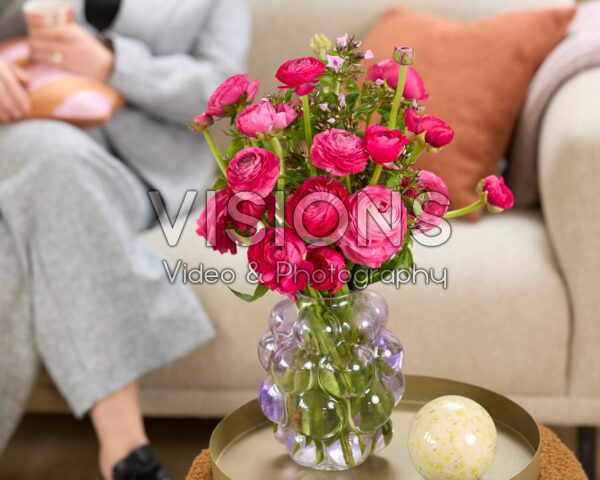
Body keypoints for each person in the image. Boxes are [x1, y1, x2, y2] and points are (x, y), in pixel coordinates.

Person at [0, 0, 250, 478]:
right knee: (55, 163)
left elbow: (224, 91)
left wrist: (115, 64)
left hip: (144, 174)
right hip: (26, 132)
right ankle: (125, 452)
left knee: (38, 211)